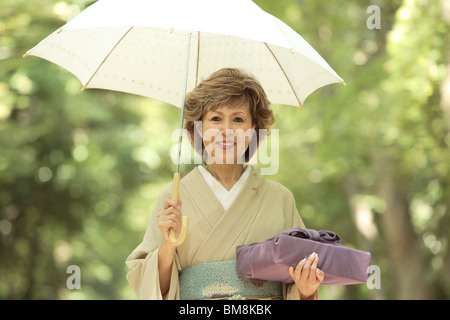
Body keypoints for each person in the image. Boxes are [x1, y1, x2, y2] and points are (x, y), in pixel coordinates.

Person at [125, 68, 323, 300]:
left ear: (253, 130)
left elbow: (298, 281)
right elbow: (150, 289)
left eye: (238, 119)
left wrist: (307, 289)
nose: (226, 131)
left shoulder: (280, 198)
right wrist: (168, 246)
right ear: (198, 127)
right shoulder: (173, 196)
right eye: (216, 119)